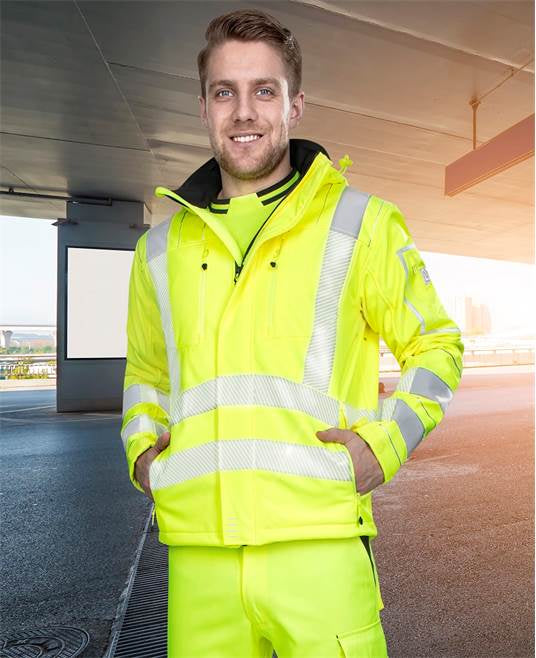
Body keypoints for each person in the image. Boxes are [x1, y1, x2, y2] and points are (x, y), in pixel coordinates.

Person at [120, 8, 464, 657]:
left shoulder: (361, 223)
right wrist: (143, 451)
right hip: (199, 561)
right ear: (203, 107)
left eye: (264, 90)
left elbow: (436, 345)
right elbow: (146, 372)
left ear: (295, 105)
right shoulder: (158, 251)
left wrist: (385, 445)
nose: (244, 111)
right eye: (225, 91)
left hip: (321, 547)